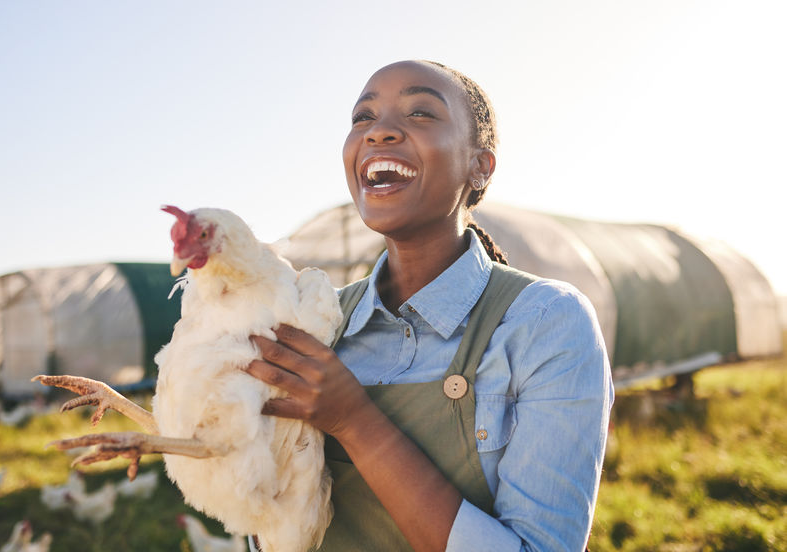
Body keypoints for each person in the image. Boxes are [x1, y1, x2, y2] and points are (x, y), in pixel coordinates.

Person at [246, 60, 614, 552]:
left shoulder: (544, 322)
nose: (379, 133)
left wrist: (353, 420)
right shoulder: (318, 322)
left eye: (420, 112)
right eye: (363, 118)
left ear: (479, 165)